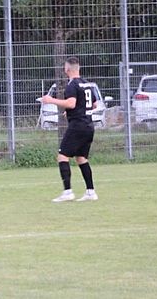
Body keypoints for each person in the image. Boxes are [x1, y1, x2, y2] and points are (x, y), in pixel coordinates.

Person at [39, 56, 98, 202]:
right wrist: (75, 111)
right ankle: (90, 192)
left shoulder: (72, 85)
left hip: (78, 126)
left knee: (62, 156)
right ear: (79, 68)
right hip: (89, 125)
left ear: (67, 69)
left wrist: (50, 100)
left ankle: (68, 192)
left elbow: (71, 103)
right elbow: (94, 104)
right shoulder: (87, 84)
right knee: (81, 158)